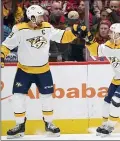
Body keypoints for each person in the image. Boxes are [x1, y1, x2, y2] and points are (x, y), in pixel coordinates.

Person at [1, 5, 87, 139]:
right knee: (18, 97)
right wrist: (1, 55)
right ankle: (19, 125)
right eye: (40, 16)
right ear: (33, 17)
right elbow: (7, 45)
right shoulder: (19, 29)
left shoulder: (47, 27)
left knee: (47, 99)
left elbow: (61, 36)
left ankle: (49, 123)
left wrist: (74, 33)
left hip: (43, 70)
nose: (43, 18)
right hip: (24, 70)